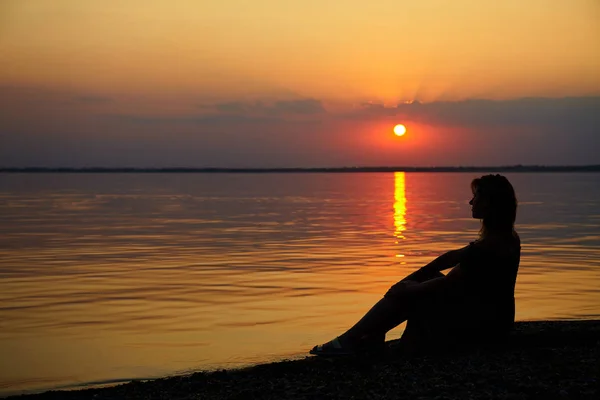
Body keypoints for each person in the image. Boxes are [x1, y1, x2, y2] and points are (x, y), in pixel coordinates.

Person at [310, 174, 521, 356]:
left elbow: (449, 285)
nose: (470, 202)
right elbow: (450, 258)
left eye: (476, 197)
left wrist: (407, 288)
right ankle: (363, 338)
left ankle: (353, 339)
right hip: (495, 321)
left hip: (483, 327)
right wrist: (415, 276)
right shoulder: (506, 238)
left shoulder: (490, 246)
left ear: (491, 204)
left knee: (414, 293)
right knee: (420, 282)